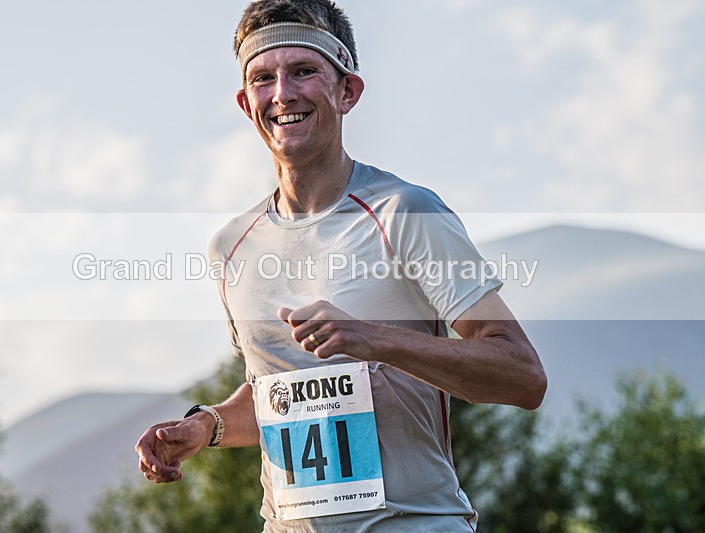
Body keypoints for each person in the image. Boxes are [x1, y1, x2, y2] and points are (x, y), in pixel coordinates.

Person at [136, 0, 547, 530]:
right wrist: (208, 426)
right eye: (264, 78)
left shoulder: (406, 212)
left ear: (346, 91)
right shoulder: (231, 246)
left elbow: (523, 376)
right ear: (246, 102)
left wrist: (374, 339)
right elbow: (279, 393)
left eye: (303, 71)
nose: (282, 93)